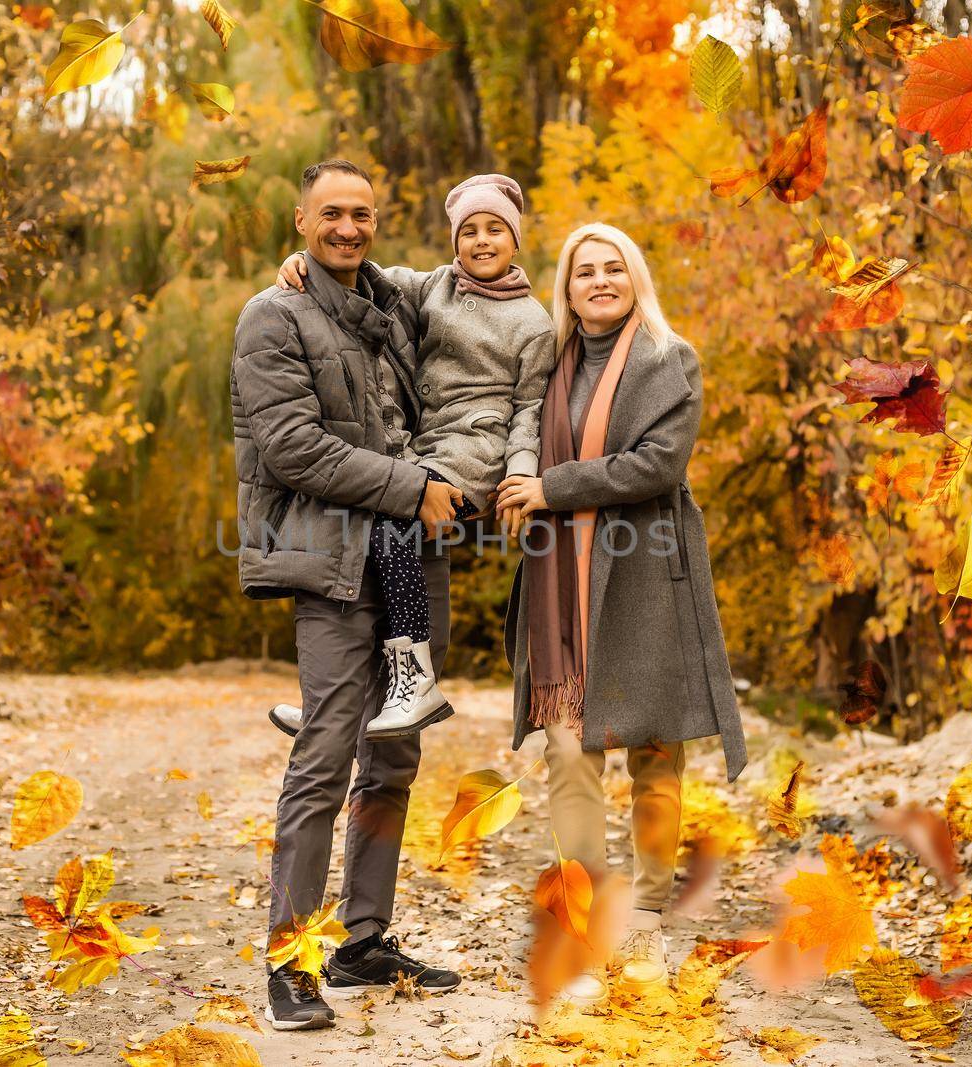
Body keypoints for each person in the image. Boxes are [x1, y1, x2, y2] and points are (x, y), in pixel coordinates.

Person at [230, 159, 462, 1031]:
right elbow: (291, 447)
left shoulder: (393, 305)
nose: (348, 228)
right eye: (332, 213)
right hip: (330, 561)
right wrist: (411, 487)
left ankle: (362, 939)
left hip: (411, 555)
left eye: (362, 213)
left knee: (395, 753)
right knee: (325, 757)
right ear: (300, 220)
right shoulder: (271, 316)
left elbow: (470, 288)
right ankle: (291, 961)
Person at [495, 222, 749, 1008]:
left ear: (634, 278)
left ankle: (648, 892)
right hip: (559, 575)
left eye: (613, 268)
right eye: (584, 272)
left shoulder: (670, 359)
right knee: (566, 738)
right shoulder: (549, 363)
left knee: (651, 742)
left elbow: (655, 465)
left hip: (644, 568)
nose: (599, 280)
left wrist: (553, 488)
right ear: (566, 290)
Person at [266, 173, 556, 741]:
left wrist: (520, 474)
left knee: (391, 519)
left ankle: (414, 678)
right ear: (454, 242)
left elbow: (530, 409)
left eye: (495, 230)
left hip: (478, 450)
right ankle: (336, 704)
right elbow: (365, 281)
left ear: (515, 240)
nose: (481, 241)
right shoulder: (435, 288)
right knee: (372, 536)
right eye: (468, 231)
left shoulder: (533, 323)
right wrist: (301, 264)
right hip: (426, 446)